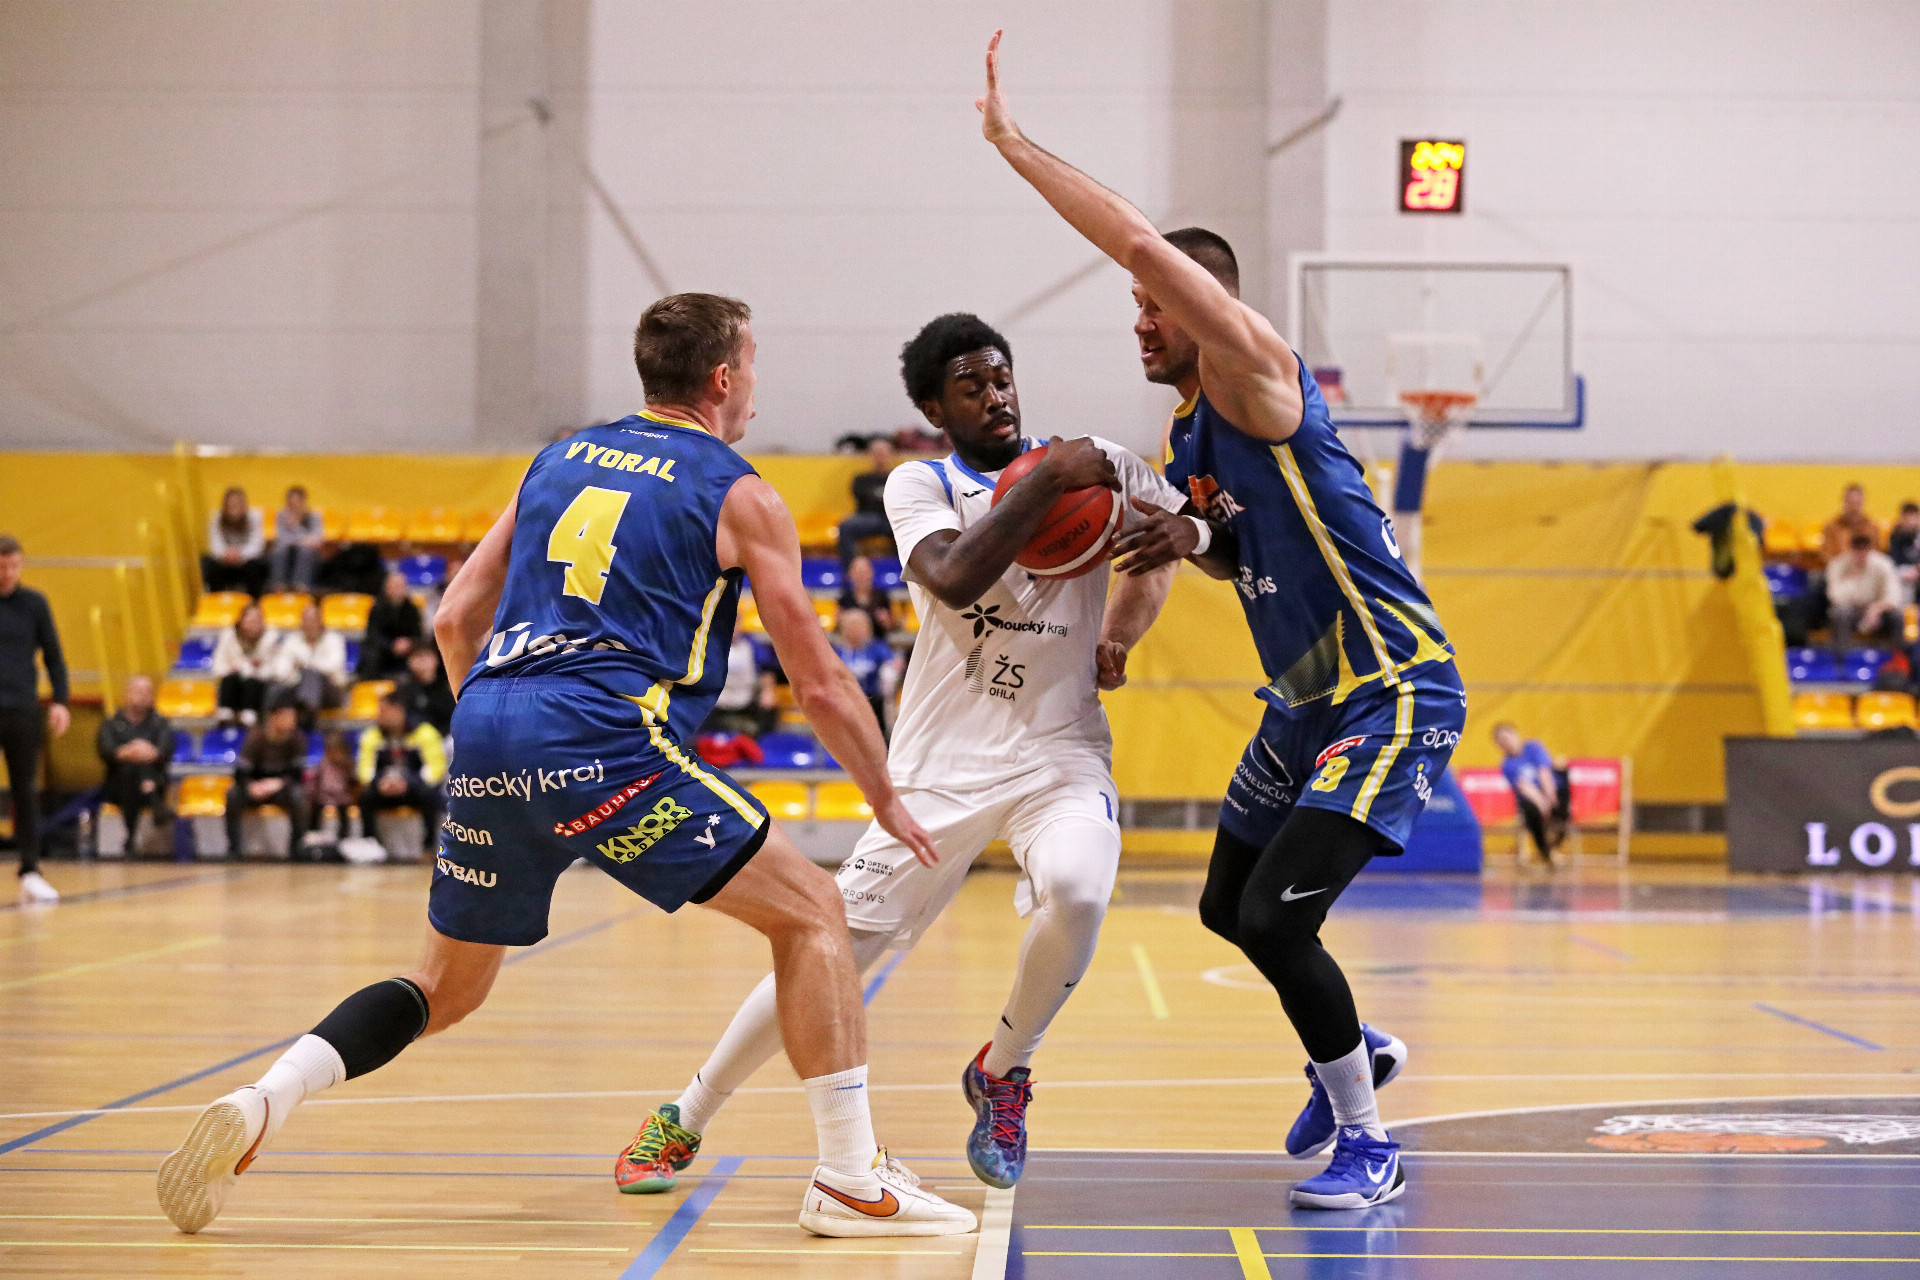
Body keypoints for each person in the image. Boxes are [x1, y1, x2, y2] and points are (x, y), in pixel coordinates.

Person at [158, 292, 973, 1240]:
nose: (756, 382)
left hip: (489, 721)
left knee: (445, 988)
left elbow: (454, 618)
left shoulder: (559, 458)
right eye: (752, 363)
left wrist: (501, 746)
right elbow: (820, 681)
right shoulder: (740, 492)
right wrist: (886, 796)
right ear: (723, 377)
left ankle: (266, 1098)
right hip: (599, 732)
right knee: (815, 912)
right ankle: (851, 1180)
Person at [973, 32, 1464, 1209]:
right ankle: (1355, 1048)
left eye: (1154, 305)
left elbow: (1141, 240)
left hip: (1391, 683)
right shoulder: (1191, 430)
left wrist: (1013, 145)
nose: (1140, 319)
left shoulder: (1254, 368)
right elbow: (1228, 544)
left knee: (1277, 916)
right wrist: (1162, 577)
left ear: (1205, 304)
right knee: (1224, 906)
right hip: (1303, 699)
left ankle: (1371, 1141)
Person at [618, 310, 1183, 1196]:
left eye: (1002, 378)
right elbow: (953, 575)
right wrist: (1050, 484)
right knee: (829, 945)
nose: (995, 396)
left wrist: (1120, 631)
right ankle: (686, 1114)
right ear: (933, 408)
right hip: (937, 767)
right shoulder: (921, 485)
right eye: (971, 386)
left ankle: (1003, 1070)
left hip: (1060, 749)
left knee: (1079, 890)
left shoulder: (1096, 463)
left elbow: (1169, 545)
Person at [0, 535, 70, 904]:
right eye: (2, 566)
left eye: (14, 565)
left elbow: (54, 657)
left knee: (26, 790)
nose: (8, 573)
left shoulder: (35, 603)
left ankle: (30, 870)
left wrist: (60, 701)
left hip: (22, 709)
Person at [96, 674, 177, 856]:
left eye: (147, 691)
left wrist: (135, 752)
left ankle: (130, 837)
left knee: (135, 771)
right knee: (129, 772)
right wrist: (136, 750)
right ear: (126, 694)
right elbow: (107, 750)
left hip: (156, 782)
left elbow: (164, 751)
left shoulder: (161, 724)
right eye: (138, 691)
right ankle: (155, 803)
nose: (142, 695)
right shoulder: (111, 723)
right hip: (119, 786)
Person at [355, 691, 447, 845]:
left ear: (399, 710)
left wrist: (408, 783)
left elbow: (435, 770)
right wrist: (380, 783)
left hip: (414, 789)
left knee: (431, 794)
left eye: (384, 710)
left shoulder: (425, 732)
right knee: (365, 796)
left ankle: (428, 845)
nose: (379, 715)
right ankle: (369, 842)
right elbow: (364, 771)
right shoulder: (371, 736)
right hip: (384, 789)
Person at [224, 699, 311, 860]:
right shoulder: (255, 737)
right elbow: (241, 772)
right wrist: (250, 786)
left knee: (299, 796)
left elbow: (297, 774)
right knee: (232, 795)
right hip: (256, 787)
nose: (292, 721)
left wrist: (277, 784)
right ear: (273, 717)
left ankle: (296, 849)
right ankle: (233, 849)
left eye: (293, 717)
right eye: (287, 716)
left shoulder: (298, 739)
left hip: (282, 788)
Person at [1492, 722, 1567, 866]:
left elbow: (1544, 772)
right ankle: (1546, 851)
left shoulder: (1533, 748)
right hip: (1531, 800)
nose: (1506, 743)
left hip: (1551, 790)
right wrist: (1542, 804)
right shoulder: (1507, 765)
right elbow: (1525, 787)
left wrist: (1549, 798)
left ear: (1515, 734)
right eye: (1501, 741)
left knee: (1562, 801)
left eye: (1507, 738)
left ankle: (1555, 844)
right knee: (1529, 810)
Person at [271, 604, 349, 724]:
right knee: (275, 688)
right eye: (306, 621)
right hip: (297, 688)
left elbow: (333, 665)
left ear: (321, 622)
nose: (310, 625)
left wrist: (303, 664)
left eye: (313, 620)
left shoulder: (334, 639)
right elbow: (281, 671)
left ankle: (306, 713)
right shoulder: (291, 641)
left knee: (310, 675)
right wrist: (306, 668)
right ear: (301, 623)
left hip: (331, 691)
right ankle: (304, 711)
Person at [1825, 533, 1904, 651]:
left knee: (1896, 616)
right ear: (1849, 550)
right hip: (1852, 610)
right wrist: (1852, 580)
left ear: (1870, 550)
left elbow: (1895, 595)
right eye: (1857, 551)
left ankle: (1896, 656)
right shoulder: (1838, 564)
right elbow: (1835, 597)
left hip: (1877, 609)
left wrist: (1876, 609)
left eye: (1864, 551)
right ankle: (1843, 656)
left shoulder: (1883, 564)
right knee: (1840, 613)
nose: (1860, 555)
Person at [828, 606, 900, 735]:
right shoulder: (837, 652)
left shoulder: (878, 648)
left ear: (867, 628)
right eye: (851, 626)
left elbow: (893, 665)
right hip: (845, 701)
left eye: (859, 626)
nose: (855, 630)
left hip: (873, 700)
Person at [701, 621, 779, 739]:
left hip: (746, 697)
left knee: (769, 709)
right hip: (716, 700)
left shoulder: (751, 644)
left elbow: (766, 670)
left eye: (736, 624)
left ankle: (761, 741)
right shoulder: (709, 644)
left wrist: (768, 692)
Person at [211, 602, 278, 725]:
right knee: (230, 680)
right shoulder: (228, 636)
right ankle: (226, 717)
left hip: (258, 690)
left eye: (258, 621)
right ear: (241, 621)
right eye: (251, 621)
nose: (255, 625)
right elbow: (217, 667)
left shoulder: (270, 638)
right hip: (232, 687)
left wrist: (256, 669)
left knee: (251, 682)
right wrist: (237, 668)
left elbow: (275, 670)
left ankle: (250, 717)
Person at [836, 437, 897, 564]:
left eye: (884, 453)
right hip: (868, 518)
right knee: (846, 526)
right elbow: (862, 498)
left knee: (912, 528)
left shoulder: (899, 478)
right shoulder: (861, 479)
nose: (881, 457)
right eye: (877, 453)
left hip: (892, 519)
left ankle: (905, 569)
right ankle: (852, 567)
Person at [202, 487, 269, 597]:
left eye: (238, 505)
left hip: (246, 562)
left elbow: (257, 545)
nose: (234, 509)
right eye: (231, 505)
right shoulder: (216, 518)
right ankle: (217, 598)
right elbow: (215, 545)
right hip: (225, 561)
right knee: (208, 562)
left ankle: (254, 600)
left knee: (257, 565)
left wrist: (239, 554)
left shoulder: (255, 517)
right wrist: (226, 554)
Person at [357, 571, 422, 679]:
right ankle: (372, 683)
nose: (398, 589)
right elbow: (373, 636)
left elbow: (418, 634)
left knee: (424, 654)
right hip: (383, 651)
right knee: (370, 653)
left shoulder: (412, 610)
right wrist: (391, 645)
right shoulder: (377, 609)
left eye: (401, 586)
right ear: (387, 587)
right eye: (395, 586)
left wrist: (409, 643)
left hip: (407, 650)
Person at [269, 486, 326, 593]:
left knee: (305, 551)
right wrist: (303, 539)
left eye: (296, 503)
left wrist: (296, 527)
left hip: (308, 553)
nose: (293, 507)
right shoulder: (281, 516)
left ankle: (300, 586)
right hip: (287, 550)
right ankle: (278, 586)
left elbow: (317, 540)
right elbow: (281, 539)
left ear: (303, 502)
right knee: (279, 551)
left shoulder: (314, 516)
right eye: (290, 504)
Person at [393, 646, 456, 737]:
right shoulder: (403, 690)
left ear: (436, 660)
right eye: (417, 656)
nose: (422, 661)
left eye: (426, 656)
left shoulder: (448, 687)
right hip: (413, 737)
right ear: (409, 662)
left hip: (446, 737)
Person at [837, 554, 898, 635]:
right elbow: (837, 627)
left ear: (871, 573)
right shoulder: (845, 598)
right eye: (858, 573)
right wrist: (841, 621)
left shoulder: (881, 597)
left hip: (877, 640)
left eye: (864, 572)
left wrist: (887, 621)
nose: (861, 577)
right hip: (853, 641)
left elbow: (893, 627)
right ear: (851, 575)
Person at [1821, 483, 1880, 561]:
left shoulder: (1871, 528)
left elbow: (1877, 555)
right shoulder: (1831, 528)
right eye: (1851, 503)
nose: (1854, 508)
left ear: (1863, 503)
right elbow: (1827, 556)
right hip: (1839, 567)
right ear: (1844, 503)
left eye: (1857, 503)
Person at [1888, 501, 1919, 598]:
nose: (1910, 521)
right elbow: (1894, 562)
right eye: (1907, 517)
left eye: (1913, 517)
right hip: (1903, 574)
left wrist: (1917, 570)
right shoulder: (1895, 537)